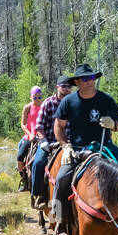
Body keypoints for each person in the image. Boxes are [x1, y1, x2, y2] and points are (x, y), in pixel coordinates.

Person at [50, 64, 118, 235]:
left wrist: (113, 124)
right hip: (78, 150)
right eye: (85, 79)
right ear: (77, 82)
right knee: (61, 180)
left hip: (105, 147)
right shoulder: (69, 102)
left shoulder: (105, 99)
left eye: (92, 78)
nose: (90, 82)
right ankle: (60, 222)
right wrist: (65, 146)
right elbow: (58, 127)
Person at [30, 76, 74, 205]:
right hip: (49, 143)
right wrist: (43, 141)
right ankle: (37, 195)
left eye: (69, 87)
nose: (66, 89)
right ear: (57, 87)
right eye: (64, 86)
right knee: (38, 163)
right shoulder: (48, 103)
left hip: (68, 144)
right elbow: (39, 125)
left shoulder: (72, 104)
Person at [15, 86, 45, 190]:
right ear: (30, 97)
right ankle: (23, 179)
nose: (37, 99)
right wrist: (30, 134)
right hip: (29, 137)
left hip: (42, 137)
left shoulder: (45, 106)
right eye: (35, 97)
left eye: (39, 97)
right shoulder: (27, 107)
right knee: (20, 156)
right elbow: (23, 124)